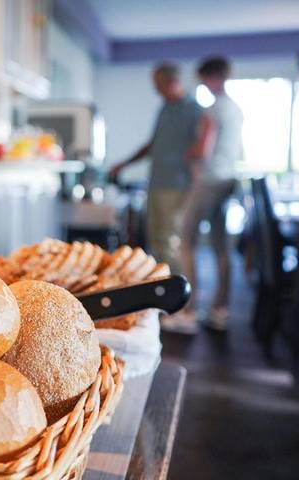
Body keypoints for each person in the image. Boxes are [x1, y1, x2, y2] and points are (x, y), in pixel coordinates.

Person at [109, 62, 214, 334]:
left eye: (156, 82)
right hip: (157, 183)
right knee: (157, 242)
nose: (154, 88)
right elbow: (152, 145)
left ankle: (187, 309)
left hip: (177, 186)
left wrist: (195, 173)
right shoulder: (165, 108)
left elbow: (205, 138)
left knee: (172, 244)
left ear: (169, 81)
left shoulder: (192, 108)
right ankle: (168, 301)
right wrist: (124, 164)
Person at [180, 57, 243, 332]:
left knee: (185, 240)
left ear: (213, 77)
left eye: (204, 79)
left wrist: (189, 154)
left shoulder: (214, 110)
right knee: (220, 246)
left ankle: (190, 310)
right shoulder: (236, 109)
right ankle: (220, 309)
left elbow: (202, 150)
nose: (203, 85)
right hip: (228, 178)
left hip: (209, 180)